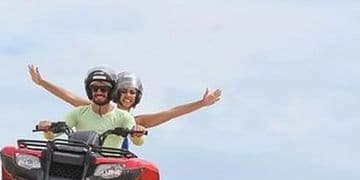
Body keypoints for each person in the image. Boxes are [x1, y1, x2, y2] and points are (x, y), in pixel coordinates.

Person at [28, 64, 222, 129]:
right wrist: (42, 82)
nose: (127, 95)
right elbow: (69, 96)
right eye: (124, 91)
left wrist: (201, 103)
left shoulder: (136, 121)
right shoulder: (92, 109)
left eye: (132, 92)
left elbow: (170, 113)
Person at [37, 67, 145, 150]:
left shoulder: (124, 117)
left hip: (109, 167)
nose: (98, 92)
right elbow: (54, 134)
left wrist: (137, 133)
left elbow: (137, 141)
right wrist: (49, 128)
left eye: (103, 89)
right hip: (79, 161)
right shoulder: (78, 113)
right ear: (89, 91)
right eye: (94, 88)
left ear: (112, 91)